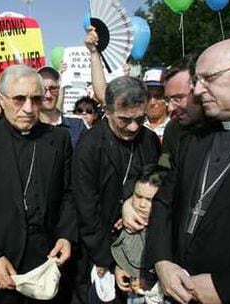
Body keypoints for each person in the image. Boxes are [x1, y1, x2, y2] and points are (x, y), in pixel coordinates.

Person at [0, 64, 76, 303]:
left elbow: (69, 193)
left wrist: (66, 236)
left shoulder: (59, 138)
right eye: (19, 99)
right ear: (1, 100)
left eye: (36, 99)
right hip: (2, 263)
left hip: (49, 263)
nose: (28, 108)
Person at [146, 38, 230, 304]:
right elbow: (163, 190)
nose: (199, 91)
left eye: (208, 78)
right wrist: (162, 260)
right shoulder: (187, 137)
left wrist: (229, 286)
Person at [71, 76, 160, 303]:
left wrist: (133, 202)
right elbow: (86, 209)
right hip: (101, 251)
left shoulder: (148, 140)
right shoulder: (90, 145)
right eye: (124, 119)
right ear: (107, 111)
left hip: (141, 247)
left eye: (140, 119)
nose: (133, 127)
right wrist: (111, 260)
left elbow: (154, 185)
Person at [110, 165, 168, 303]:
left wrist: (147, 279)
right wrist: (120, 267)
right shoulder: (126, 221)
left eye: (149, 200)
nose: (142, 204)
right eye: (138, 196)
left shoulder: (167, 229)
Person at [158, 55, 206, 169]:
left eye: (178, 98)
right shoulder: (172, 130)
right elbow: (164, 167)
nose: (170, 108)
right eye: (168, 100)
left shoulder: (229, 129)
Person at [37, 66, 87, 147]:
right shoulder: (29, 128)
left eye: (53, 88)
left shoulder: (77, 126)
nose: (48, 95)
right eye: (43, 90)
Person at [143, 68, 170, 142]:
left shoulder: (176, 127)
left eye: (157, 97)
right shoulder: (136, 126)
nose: (152, 102)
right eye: (148, 97)